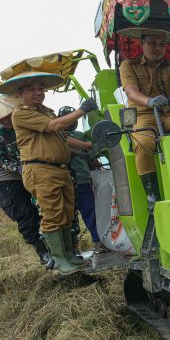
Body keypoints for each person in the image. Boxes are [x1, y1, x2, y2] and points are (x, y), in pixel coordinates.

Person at [0, 70, 98, 275]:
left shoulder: (45, 111)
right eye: (31, 89)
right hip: (40, 170)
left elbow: (64, 137)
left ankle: (69, 256)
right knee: (52, 215)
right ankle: (60, 261)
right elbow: (54, 126)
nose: (38, 92)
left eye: (40, 88)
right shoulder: (22, 113)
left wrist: (88, 145)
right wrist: (81, 111)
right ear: (20, 94)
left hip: (59, 169)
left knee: (67, 214)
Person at [117, 27, 170, 207]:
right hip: (143, 114)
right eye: (152, 43)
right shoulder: (128, 65)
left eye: (162, 44)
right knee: (143, 142)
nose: (157, 48)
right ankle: (152, 196)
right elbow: (131, 92)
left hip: (166, 114)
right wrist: (149, 101)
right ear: (142, 43)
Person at [0, 95, 51, 267]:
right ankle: (43, 252)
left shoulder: (17, 123)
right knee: (25, 215)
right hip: (6, 179)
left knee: (39, 212)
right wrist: (20, 168)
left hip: (26, 174)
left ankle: (51, 248)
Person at [58, 106, 106, 254]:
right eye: (70, 117)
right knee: (71, 216)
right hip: (65, 181)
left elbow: (91, 157)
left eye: (75, 118)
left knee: (88, 211)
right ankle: (74, 249)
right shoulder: (57, 137)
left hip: (82, 180)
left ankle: (97, 242)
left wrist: (94, 163)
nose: (73, 121)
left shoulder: (79, 135)